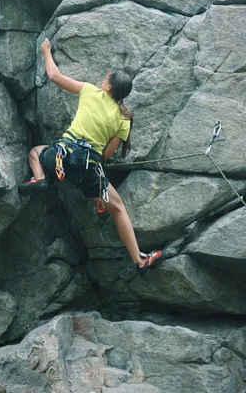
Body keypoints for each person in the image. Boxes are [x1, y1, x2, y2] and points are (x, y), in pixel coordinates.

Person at [20, 38, 162, 274]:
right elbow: (105, 156)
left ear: (108, 87)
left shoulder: (90, 92)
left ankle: (40, 178)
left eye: (106, 78)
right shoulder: (124, 119)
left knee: (35, 152)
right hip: (89, 170)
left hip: (59, 158)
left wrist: (46, 51)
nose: (102, 80)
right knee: (118, 209)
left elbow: (55, 77)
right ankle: (139, 259)